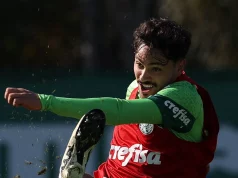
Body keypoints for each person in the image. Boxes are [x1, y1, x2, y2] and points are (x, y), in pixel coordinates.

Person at [4, 18, 219, 178]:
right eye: (140, 65)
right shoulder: (134, 89)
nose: (144, 76)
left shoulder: (184, 97)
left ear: (179, 66)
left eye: (156, 68)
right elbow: (127, 166)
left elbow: (116, 111)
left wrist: (45, 102)